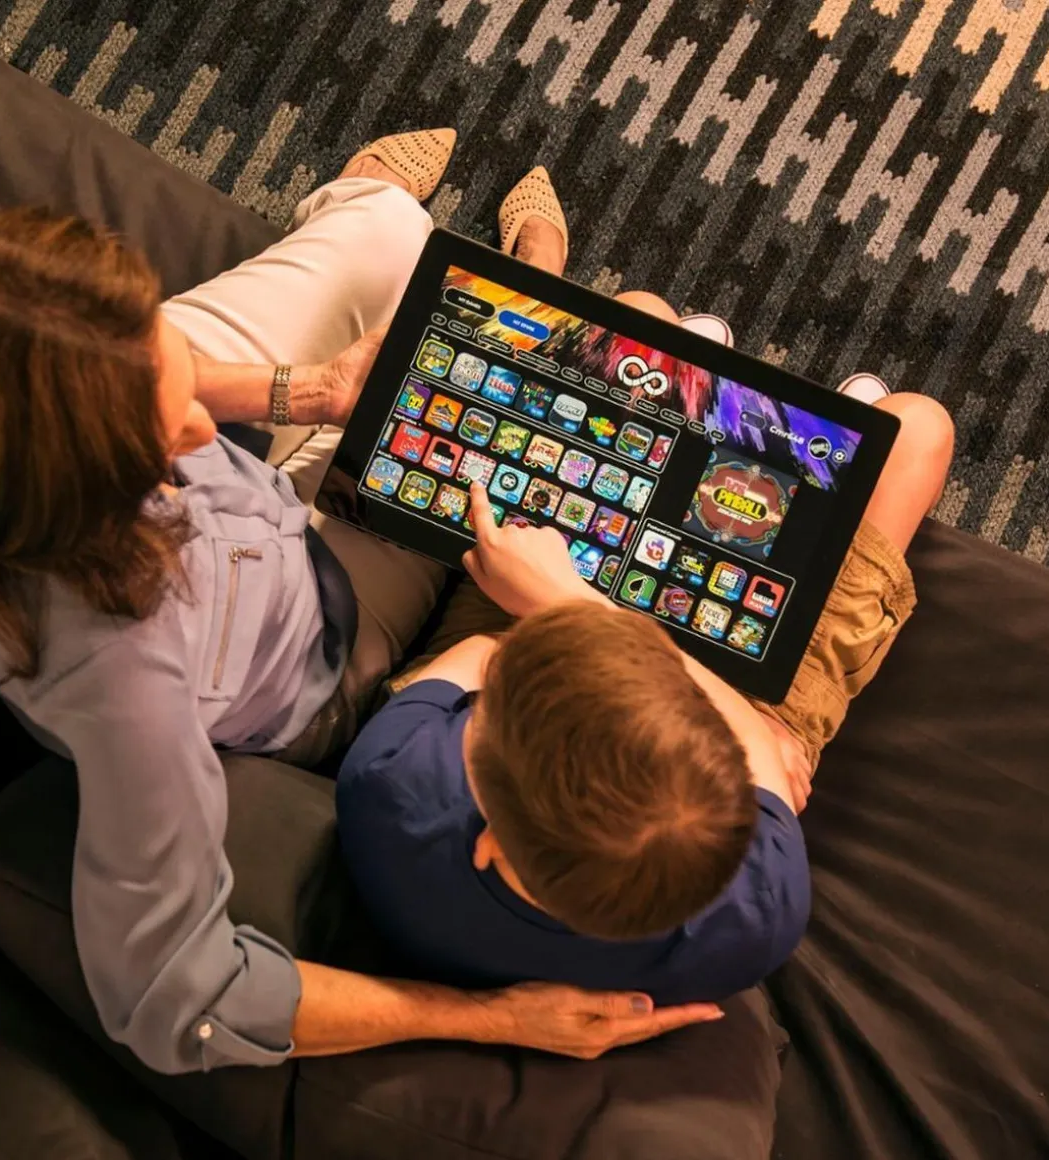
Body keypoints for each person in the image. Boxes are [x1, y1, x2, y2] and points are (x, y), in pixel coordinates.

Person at [0, 131, 724, 1074]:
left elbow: (170, 393)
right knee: (537, 387)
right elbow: (180, 1003)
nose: (206, 429)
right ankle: (538, 281)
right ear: (77, 493)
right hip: (322, 631)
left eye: (166, 372)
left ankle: (371, 222)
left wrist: (309, 392)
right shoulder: (126, 678)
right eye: (166, 436)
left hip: (227, 492)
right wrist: (491, 1019)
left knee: (392, 227)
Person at [334, 205, 956, 1003]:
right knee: (916, 430)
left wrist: (565, 606)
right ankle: (791, 445)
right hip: (729, 694)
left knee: (639, 318)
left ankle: (721, 406)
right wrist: (572, 603)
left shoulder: (391, 792)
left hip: (557, 644)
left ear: (487, 844)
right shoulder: (758, 911)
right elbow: (761, 754)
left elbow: (486, 656)